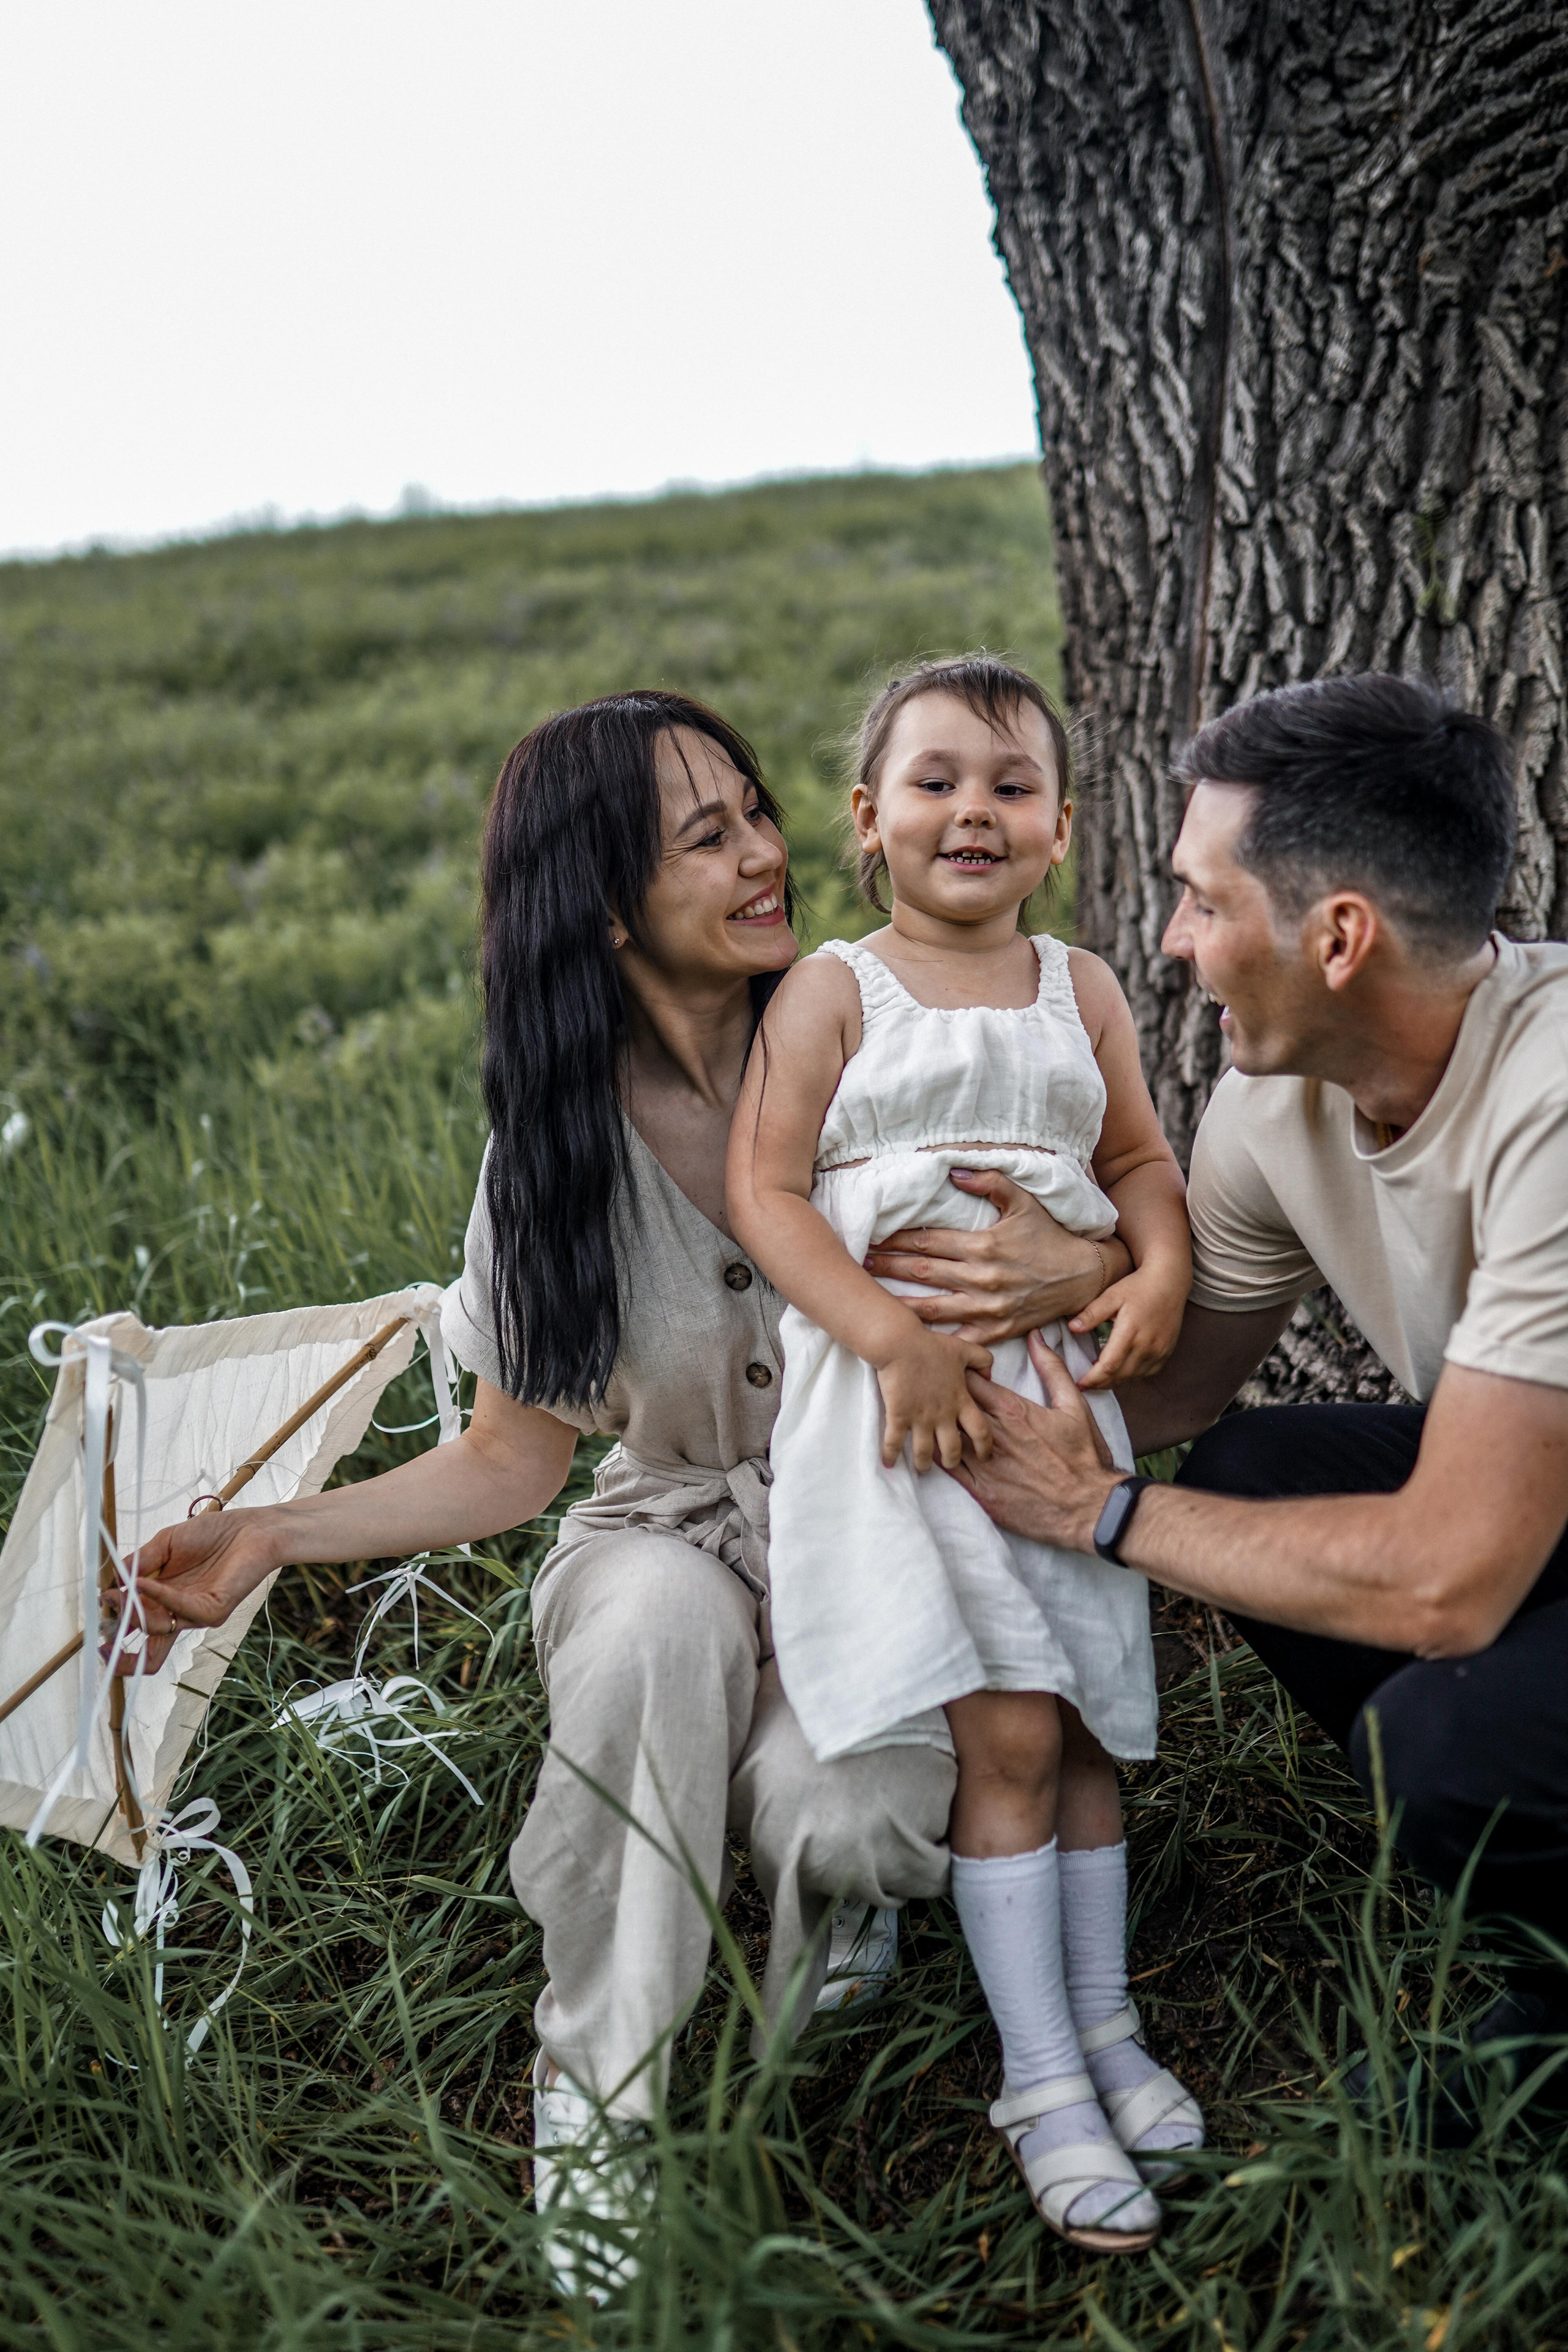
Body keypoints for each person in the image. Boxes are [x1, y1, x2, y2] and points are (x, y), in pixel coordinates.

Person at [122, 688, 1117, 2296]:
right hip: (667, 1532)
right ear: (598, 902)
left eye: (757, 811)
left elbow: (1087, 1209)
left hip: (883, 1537)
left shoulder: (879, 1043)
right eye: (705, 834)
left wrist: (1085, 1256)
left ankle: (814, 1889)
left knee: (848, 1819)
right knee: (656, 1632)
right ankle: (600, 2102)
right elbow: (514, 1462)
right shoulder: (549, 1162)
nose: (765, 856)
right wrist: (274, 1535)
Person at [946, 673, 1568, 2138]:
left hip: (1498, 1535)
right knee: (1252, 1468)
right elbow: (1169, 1384)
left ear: (1335, 936)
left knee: (1445, 1729)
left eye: (1197, 900)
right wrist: (918, 1401)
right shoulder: (1275, 1099)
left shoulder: (1551, 1096)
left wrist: (1100, 1516)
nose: (1167, 944)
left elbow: (1448, 1578)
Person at [728, 655, 1202, 2253]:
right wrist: (893, 1339)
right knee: (1002, 1736)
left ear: (1062, 826)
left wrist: (1160, 1272)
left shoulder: (1083, 986)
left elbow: (1135, 1155)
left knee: (1081, 1725)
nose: (972, 812)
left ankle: (1108, 2023)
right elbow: (773, 1194)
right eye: (934, 781)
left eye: (1010, 786)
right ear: (867, 821)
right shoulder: (836, 992)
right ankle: (1042, 2080)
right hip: (918, 1413)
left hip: (1064, 1394)